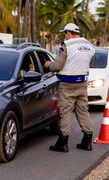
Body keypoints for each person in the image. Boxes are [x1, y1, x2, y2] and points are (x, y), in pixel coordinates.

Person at [44, 23, 95, 152]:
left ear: (68, 33)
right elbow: (90, 62)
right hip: (82, 83)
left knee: (65, 112)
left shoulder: (67, 46)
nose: (64, 36)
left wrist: (48, 64)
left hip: (67, 85)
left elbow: (57, 66)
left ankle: (62, 143)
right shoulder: (89, 45)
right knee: (83, 111)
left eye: (65, 34)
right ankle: (87, 140)